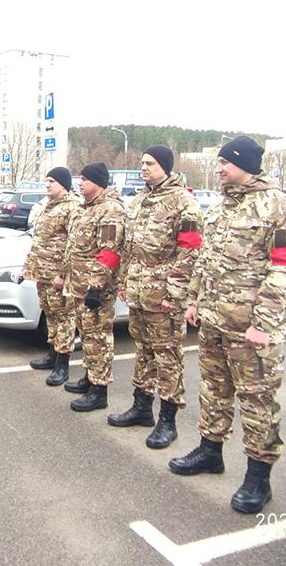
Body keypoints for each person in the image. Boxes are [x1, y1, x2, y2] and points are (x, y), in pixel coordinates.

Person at [167, 136, 286, 514]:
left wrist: (263, 323)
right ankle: (210, 452)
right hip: (214, 320)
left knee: (257, 401)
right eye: (219, 162)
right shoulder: (221, 207)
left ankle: (258, 477)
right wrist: (194, 300)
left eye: (225, 162)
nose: (220, 168)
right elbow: (205, 260)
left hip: (251, 329)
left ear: (245, 164)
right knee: (213, 390)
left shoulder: (279, 206)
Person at [111, 146, 202, 449]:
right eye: (142, 162)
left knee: (168, 357)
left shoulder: (184, 203)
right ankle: (141, 408)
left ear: (165, 166)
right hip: (139, 292)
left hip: (164, 296)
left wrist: (174, 293)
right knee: (144, 351)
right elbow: (128, 246)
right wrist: (124, 280)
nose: (143, 167)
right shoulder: (139, 200)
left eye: (149, 163)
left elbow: (190, 251)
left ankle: (168, 420)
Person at [61, 162, 126, 412]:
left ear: (98, 183)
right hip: (80, 286)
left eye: (85, 180)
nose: (80, 183)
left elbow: (109, 252)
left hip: (95, 290)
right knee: (87, 336)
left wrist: (96, 287)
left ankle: (99, 391)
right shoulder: (87, 208)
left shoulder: (110, 210)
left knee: (98, 338)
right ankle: (89, 379)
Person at [23, 167, 81, 386]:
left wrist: (64, 275)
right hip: (43, 273)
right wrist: (29, 267)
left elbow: (74, 245)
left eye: (52, 181)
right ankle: (52, 355)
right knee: (50, 314)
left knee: (64, 317)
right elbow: (38, 241)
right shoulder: (48, 206)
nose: (47, 185)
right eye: (46, 181)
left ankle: (62, 365)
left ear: (63, 184)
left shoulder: (72, 207)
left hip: (58, 276)